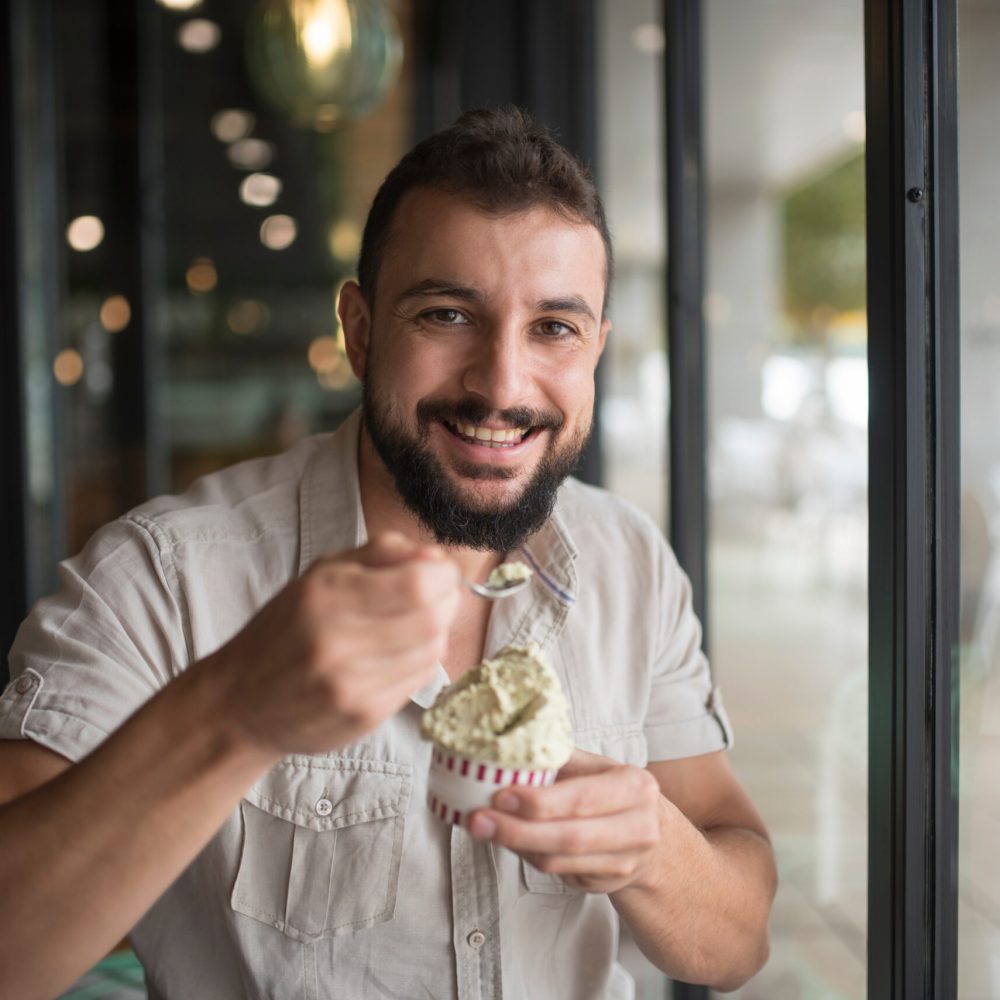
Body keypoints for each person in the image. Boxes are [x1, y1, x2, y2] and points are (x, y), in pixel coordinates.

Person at [0, 107, 776, 999]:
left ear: (597, 346)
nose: (501, 385)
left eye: (554, 328)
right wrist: (232, 714)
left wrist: (653, 850)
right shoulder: (163, 576)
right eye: (448, 314)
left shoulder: (628, 559)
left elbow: (737, 941)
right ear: (360, 330)